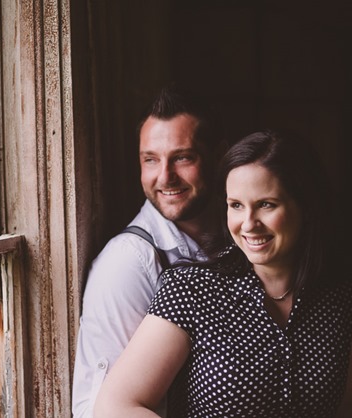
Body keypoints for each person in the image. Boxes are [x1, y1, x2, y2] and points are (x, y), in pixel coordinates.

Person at [94, 130, 352, 418]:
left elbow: (351, 405)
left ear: (306, 207)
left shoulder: (345, 292)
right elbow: (115, 406)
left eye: (266, 204)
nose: (248, 224)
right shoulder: (191, 289)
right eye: (236, 205)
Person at [72, 85, 224, 417]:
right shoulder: (128, 262)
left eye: (183, 157)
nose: (165, 177)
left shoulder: (239, 240)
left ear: (218, 156)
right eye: (150, 160)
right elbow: (96, 410)